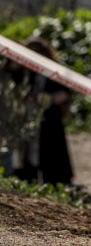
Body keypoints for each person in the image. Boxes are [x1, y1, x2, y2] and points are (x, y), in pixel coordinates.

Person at [4, 39, 74, 186]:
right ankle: (26, 183)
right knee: (24, 160)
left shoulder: (53, 71)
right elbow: (10, 78)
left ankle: (56, 187)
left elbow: (64, 93)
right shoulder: (23, 71)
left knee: (53, 160)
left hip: (49, 122)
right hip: (25, 121)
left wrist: (47, 98)